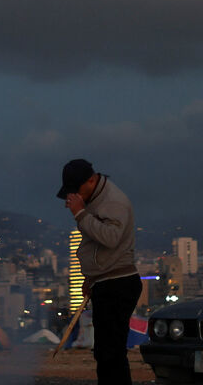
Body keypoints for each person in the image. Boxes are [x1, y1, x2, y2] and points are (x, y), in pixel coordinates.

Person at [58, 158, 140, 385]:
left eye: (76, 190)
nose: (74, 195)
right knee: (105, 353)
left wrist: (80, 214)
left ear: (91, 181)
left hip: (118, 283)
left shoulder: (114, 201)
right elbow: (95, 245)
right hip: (105, 282)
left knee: (111, 353)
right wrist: (91, 279)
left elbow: (111, 238)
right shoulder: (94, 199)